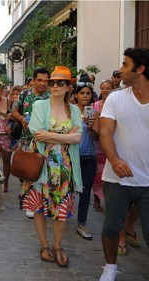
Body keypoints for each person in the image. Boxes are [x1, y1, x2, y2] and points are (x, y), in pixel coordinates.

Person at [22, 66, 82, 267]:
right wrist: (66, 137)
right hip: (42, 165)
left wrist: (52, 135)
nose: (55, 86)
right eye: (52, 82)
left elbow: (78, 137)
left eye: (60, 83)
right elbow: (36, 132)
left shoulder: (73, 110)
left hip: (64, 167)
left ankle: (57, 245)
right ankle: (44, 245)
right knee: (39, 207)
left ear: (68, 87)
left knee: (61, 208)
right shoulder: (40, 105)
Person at [99, 47, 149, 281]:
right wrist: (115, 160)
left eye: (125, 65)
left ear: (140, 70)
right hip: (116, 178)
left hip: (147, 181)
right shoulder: (116, 98)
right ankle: (110, 268)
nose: (120, 70)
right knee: (111, 227)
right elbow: (105, 133)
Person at [12, 67, 50, 218]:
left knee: (42, 172)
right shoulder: (25, 94)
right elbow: (14, 111)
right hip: (27, 139)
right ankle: (30, 202)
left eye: (45, 81)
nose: (42, 84)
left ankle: (41, 201)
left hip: (45, 140)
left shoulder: (50, 96)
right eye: (39, 80)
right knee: (28, 171)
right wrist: (21, 119)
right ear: (33, 81)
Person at [74, 77, 99, 240]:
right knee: (67, 189)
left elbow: (97, 137)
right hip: (72, 156)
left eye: (88, 93)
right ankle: (59, 214)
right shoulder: (70, 110)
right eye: (82, 93)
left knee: (86, 192)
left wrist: (91, 127)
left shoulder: (94, 112)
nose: (85, 96)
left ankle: (81, 223)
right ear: (76, 95)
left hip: (89, 156)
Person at [92, 79, 115, 212]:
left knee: (108, 173)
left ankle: (107, 199)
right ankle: (96, 199)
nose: (105, 90)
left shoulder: (115, 105)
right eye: (103, 88)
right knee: (97, 173)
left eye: (108, 88)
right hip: (97, 143)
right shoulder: (95, 105)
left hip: (111, 143)